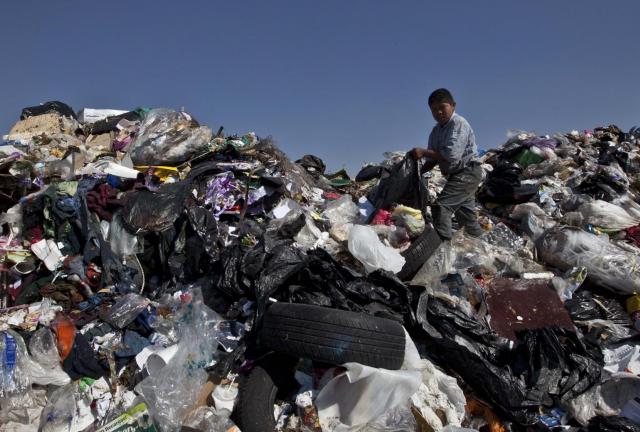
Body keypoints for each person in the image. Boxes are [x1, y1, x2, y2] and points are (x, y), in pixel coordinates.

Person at [408, 88, 483, 240]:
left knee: (441, 208)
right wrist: (415, 174)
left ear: (453, 105)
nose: (439, 112)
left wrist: (423, 152)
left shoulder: (458, 123)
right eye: (434, 110)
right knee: (466, 218)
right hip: (457, 175)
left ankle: (443, 251)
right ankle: (483, 249)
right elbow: (432, 160)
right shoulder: (435, 132)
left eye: (442, 107)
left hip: (468, 172)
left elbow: (451, 155)